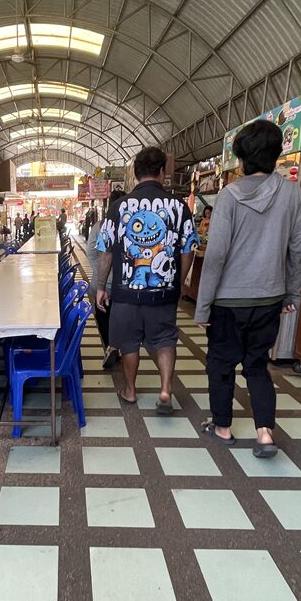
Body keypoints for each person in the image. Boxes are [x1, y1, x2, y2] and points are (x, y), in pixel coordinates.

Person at [195, 119, 301, 458]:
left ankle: (223, 427)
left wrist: (202, 307)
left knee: (221, 364)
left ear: (242, 159)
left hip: (229, 300)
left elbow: (215, 255)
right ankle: (265, 435)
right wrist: (291, 294)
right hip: (270, 297)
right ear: (274, 155)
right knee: (258, 366)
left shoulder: (229, 196)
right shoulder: (291, 194)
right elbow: (298, 250)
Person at [96, 147, 197, 414]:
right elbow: (188, 250)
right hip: (164, 291)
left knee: (129, 342)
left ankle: (130, 391)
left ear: (135, 174)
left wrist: (100, 286)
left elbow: (105, 251)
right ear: (163, 171)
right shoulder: (179, 207)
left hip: (125, 292)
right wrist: (178, 281)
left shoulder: (118, 207)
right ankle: (165, 390)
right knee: (165, 339)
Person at [88, 190, 125, 369]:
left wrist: (102, 274)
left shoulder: (100, 226)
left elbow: (92, 253)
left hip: (102, 285)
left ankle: (110, 346)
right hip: (123, 285)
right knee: (121, 319)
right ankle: (117, 346)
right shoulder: (133, 224)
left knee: (104, 318)